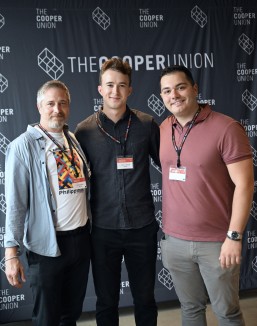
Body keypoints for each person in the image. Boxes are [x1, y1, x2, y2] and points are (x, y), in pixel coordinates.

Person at [159, 65, 254, 326]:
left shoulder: (226, 128)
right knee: (190, 309)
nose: (174, 95)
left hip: (216, 243)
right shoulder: (163, 129)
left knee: (227, 313)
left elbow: (245, 184)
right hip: (175, 241)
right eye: (166, 91)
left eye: (180, 87)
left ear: (195, 89)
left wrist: (234, 236)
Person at [75, 57, 160, 326]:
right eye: (110, 85)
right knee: (106, 301)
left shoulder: (147, 124)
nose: (115, 91)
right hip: (102, 230)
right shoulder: (84, 131)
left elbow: (170, 166)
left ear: (130, 90)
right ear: (100, 89)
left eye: (122, 85)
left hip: (142, 227)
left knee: (145, 298)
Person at [4, 80, 91, 326]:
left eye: (62, 103)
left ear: (69, 107)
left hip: (81, 241)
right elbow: (15, 204)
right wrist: (11, 253)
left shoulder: (72, 139)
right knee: (47, 318)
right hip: (47, 247)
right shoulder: (22, 147)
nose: (57, 109)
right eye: (50, 103)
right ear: (39, 106)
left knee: (71, 315)